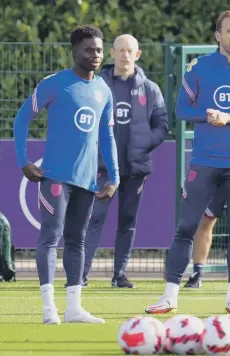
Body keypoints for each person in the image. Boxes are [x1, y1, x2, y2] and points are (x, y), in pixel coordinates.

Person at [145, 10, 230, 315]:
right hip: (203, 162)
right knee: (186, 226)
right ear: (218, 36)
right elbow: (181, 110)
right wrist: (208, 114)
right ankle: (170, 295)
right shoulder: (200, 67)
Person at [13, 25, 120, 324]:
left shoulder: (103, 91)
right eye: (89, 49)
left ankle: (74, 308)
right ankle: (49, 310)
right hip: (55, 177)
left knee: (77, 241)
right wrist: (23, 161)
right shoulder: (55, 84)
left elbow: (107, 137)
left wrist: (114, 177)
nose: (95, 55)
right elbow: (22, 119)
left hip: (87, 180)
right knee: (50, 236)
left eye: (99, 49)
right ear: (75, 51)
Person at [82, 34, 169, 289]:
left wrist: (143, 145)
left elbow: (162, 125)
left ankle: (119, 275)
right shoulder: (97, 85)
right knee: (94, 219)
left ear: (138, 54)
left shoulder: (150, 89)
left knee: (127, 222)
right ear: (112, 53)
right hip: (102, 167)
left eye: (130, 51)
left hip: (134, 168)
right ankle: (81, 274)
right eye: (120, 50)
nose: (125, 55)